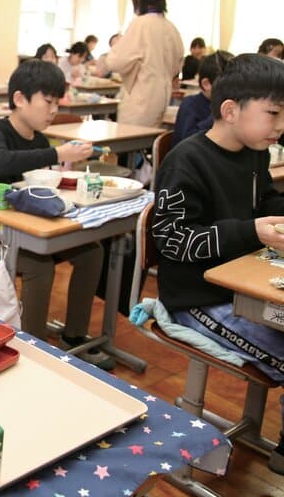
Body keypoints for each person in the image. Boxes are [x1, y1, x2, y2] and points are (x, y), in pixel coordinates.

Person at [152, 53, 284, 474]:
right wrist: (251, 231)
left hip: (240, 287)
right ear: (230, 111)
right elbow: (172, 241)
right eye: (273, 114)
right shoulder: (187, 160)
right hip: (197, 299)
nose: (280, 127)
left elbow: (264, 203)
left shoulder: (253, 153)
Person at [0, 60, 112, 369]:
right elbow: (0, 162)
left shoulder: (41, 138)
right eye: (48, 102)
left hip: (28, 226)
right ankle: (33, 350)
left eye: (57, 103)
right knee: (39, 263)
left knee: (91, 251)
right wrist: (58, 153)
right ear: (19, 99)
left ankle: (74, 335)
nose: (52, 110)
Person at [107, 0, 183, 127]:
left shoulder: (140, 24)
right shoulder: (171, 27)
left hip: (141, 101)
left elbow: (116, 62)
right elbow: (177, 65)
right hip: (162, 99)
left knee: (129, 145)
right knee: (150, 144)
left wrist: (118, 44)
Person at [172, 50, 233, 147]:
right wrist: (218, 114)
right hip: (190, 160)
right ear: (207, 84)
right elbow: (187, 143)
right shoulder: (190, 104)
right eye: (228, 85)